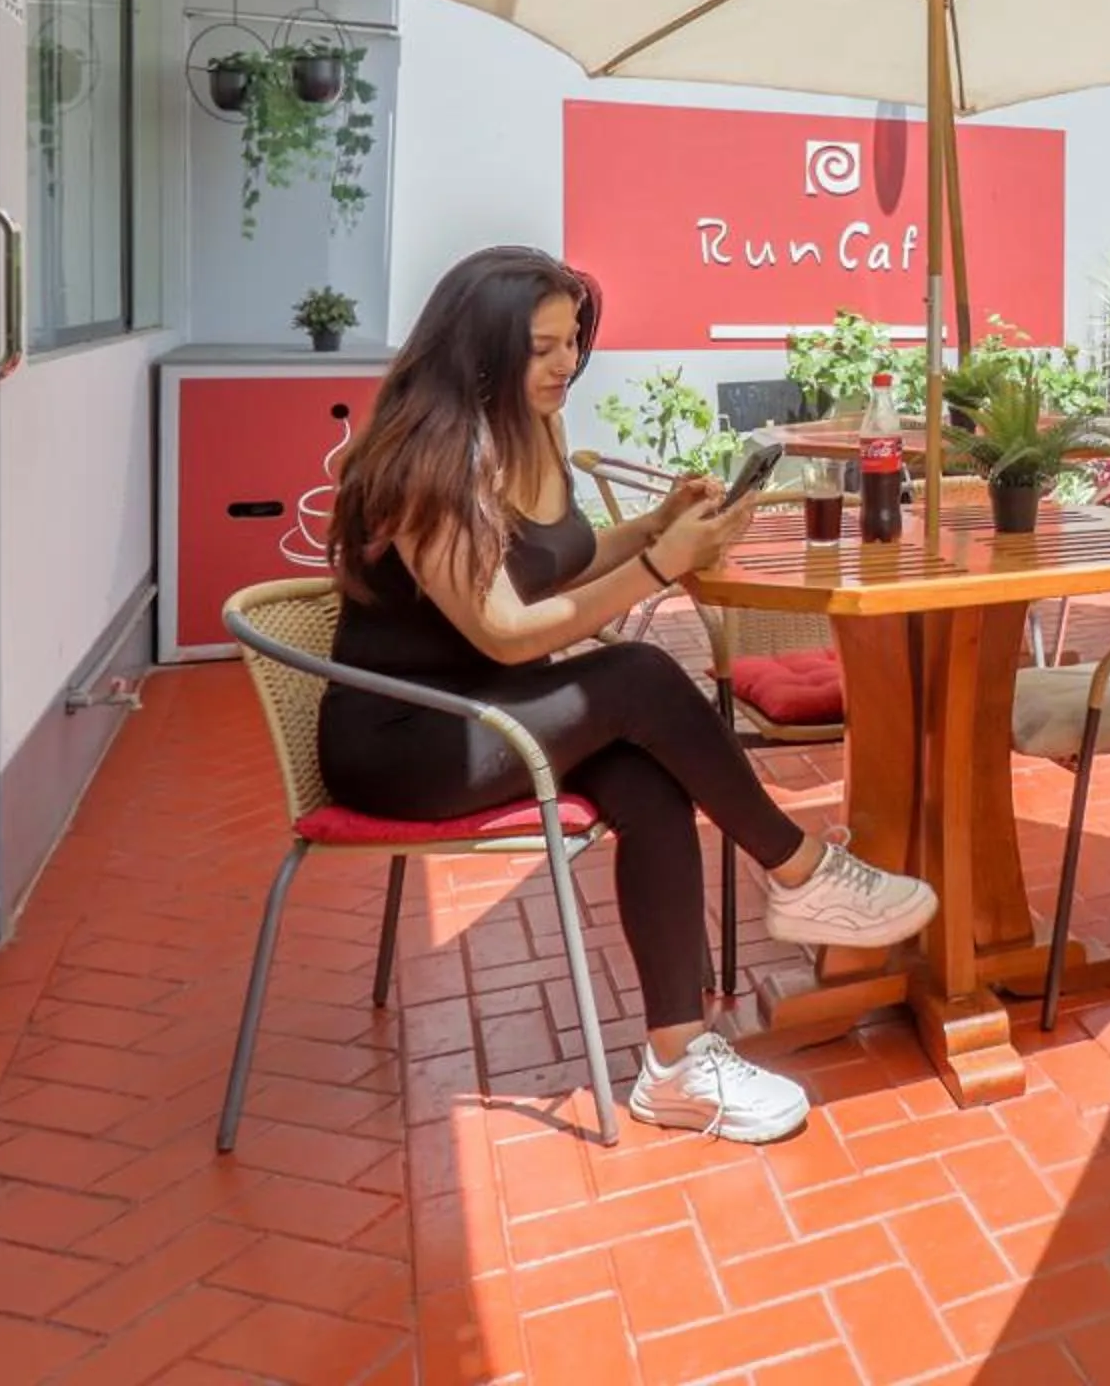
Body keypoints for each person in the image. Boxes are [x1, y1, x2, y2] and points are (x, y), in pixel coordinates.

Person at [320, 246, 929, 1142]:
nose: (566, 364)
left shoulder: (533, 430)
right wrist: (658, 566)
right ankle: (800, 870)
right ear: (478, 349)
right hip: (412, 743)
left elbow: (552, 568)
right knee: (639, 676)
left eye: (573, 342)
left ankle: (678, 1067)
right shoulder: (429, 463)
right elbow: (506, 629)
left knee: (647, 780)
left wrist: (651, 526)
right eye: (542, 348)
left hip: (497, 708)